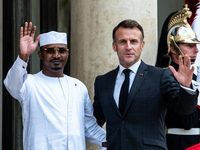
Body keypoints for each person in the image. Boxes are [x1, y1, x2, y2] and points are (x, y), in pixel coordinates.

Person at [93, 17, 199, 149]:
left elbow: (185, 110)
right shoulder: (103, 81)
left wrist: (186, 86)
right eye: (122, 42)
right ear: (114, 46)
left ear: (142, 45)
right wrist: (104, 140)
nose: (128, 47)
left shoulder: (161, 75)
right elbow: (94, 121)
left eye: (133, 41)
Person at [4, 22, 107, 150]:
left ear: (67, 53)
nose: (57, 55)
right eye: (50, 51)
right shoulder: (30, 83)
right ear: (41, 55)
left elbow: (89, 126)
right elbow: (11, 85)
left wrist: (113, 141)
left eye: (62, 50)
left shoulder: (78, 86)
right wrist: (23, 57)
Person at [155, 5, 200, 150]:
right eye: (189, 45)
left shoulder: (196, 74)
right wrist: (186, 87)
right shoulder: (166, 75)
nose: (196, 50)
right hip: (183, 144)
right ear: (173, 48)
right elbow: (187, 121)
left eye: (196, 45)